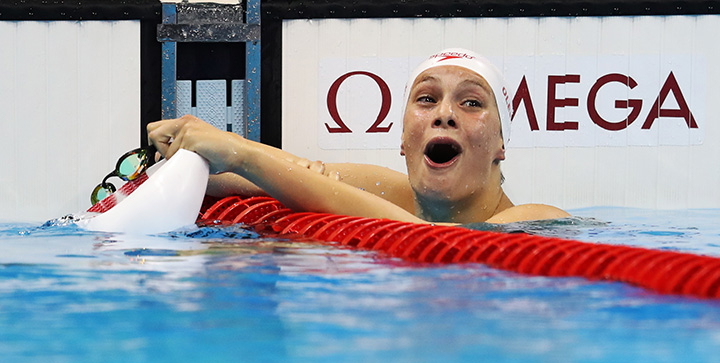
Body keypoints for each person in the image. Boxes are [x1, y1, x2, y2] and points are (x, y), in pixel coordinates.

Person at [147, 48, 568, 225]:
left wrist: (241, 153)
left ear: (501, 145)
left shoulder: (536, 221)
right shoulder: (388, 189)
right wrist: (187, 152)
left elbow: (438, 246)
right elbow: (288, 175)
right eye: (426, 99)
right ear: (404, 140)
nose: (444, 115)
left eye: (471, 103)